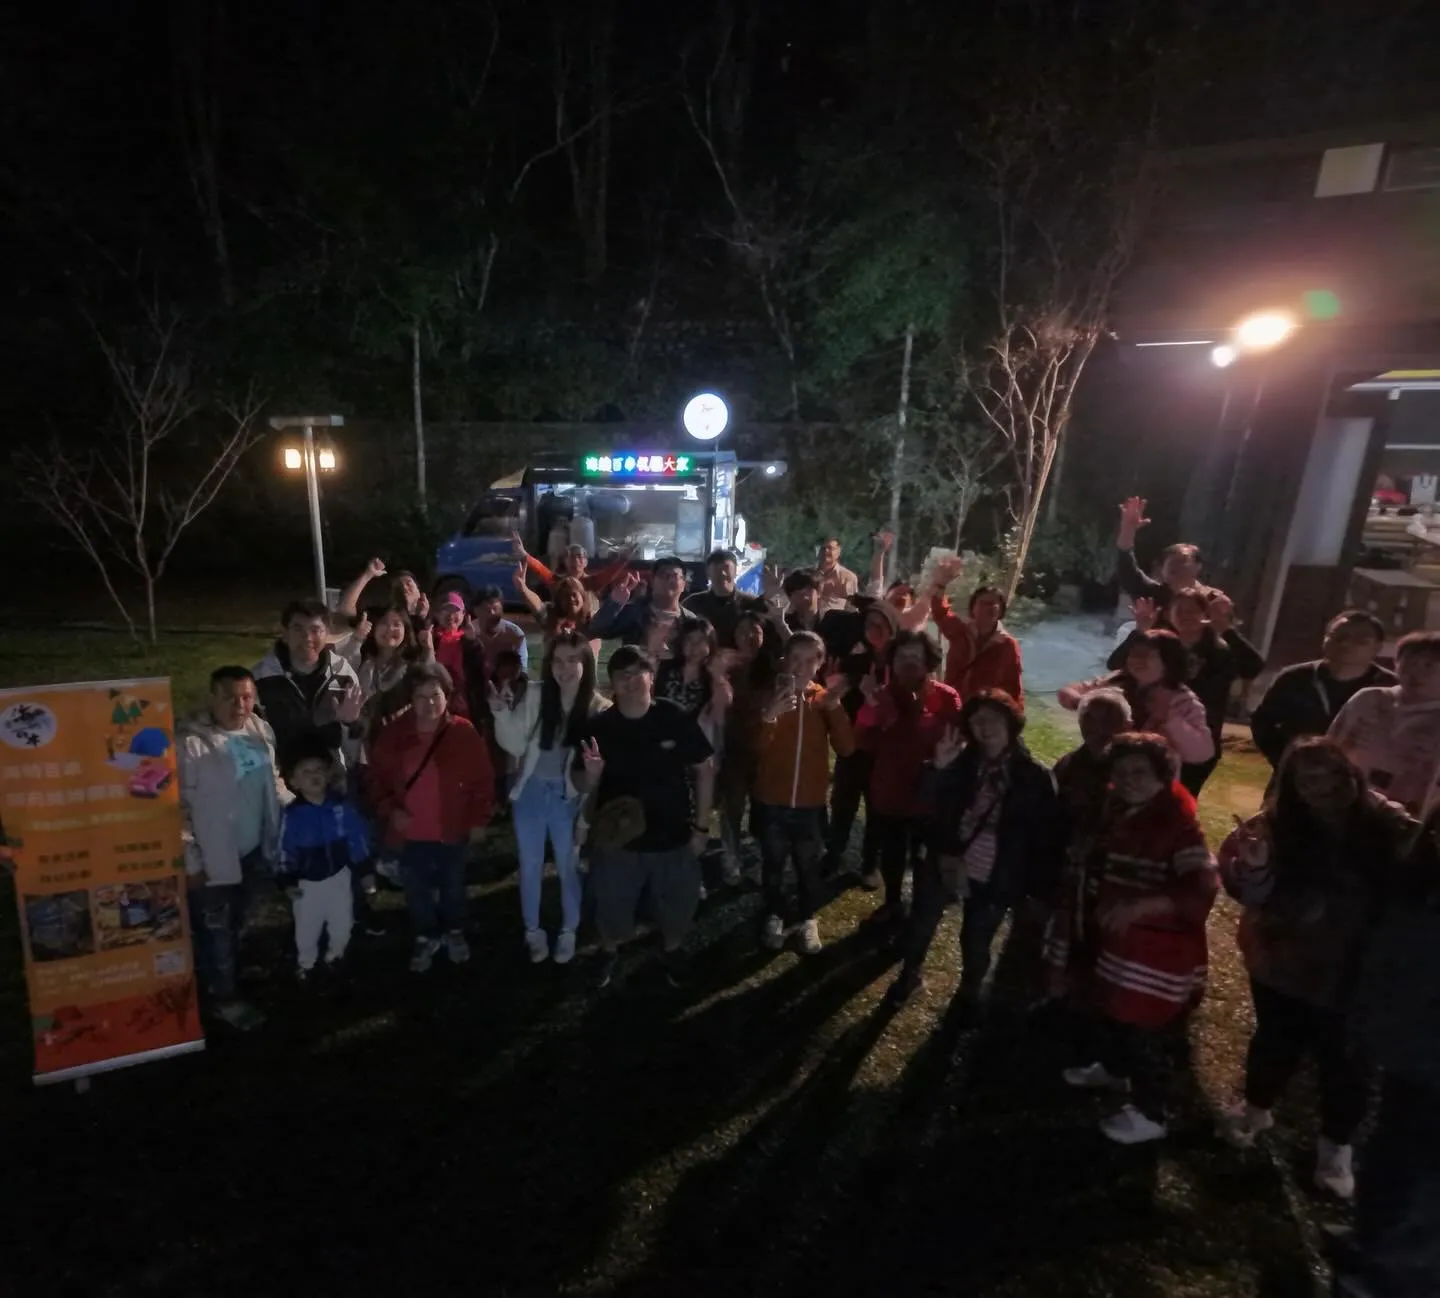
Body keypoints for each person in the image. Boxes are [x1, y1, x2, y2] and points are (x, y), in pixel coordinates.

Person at [1217, 739, 1417, 1199]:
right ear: (1293, 786)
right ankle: (1256, 1109)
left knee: (1346, 1065)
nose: (1323, 787)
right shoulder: (1273, 828)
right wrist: (1255, 867)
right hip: (1283, 964)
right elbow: (1250, 894)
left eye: (1332, 774)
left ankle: (1335, 1148)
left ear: (1352, 774)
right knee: (1274, 1042)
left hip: (1354, 973)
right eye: (1308, 780)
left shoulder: (1391, 826)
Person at [1049, 734, 1217, 1145]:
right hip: (1117, 942)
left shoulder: (1178, 824)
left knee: (1142, 1028)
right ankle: (1113, 1069)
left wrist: (1145, 905)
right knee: (1111, 1011)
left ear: (1163, 775)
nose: (1129, 779)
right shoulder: (1118, 811)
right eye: (1121, 771)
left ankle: (1152, 1111)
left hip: (1153, 953)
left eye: (1140, 772)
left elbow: (1202, 885)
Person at [891, 690, 1061, 1008]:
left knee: (976, 939)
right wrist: (937, 767)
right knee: (921, 924)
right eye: (977, 719)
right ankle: (909, 974)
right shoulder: (959, 759)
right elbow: (924, 801)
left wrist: (1034, 887)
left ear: (1011, 722)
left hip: (996, 873)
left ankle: (969, 990)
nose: (985, 726)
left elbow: (1045, 836)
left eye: (993, 718)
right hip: (946, 858)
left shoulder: (1032, 776)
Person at [1338, 806, 1440, 1297]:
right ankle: (1370, 1239)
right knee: (1388, 1154)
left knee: (1426, 1182)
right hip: (1409, 1051)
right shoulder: (1421, 879)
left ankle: (1393, 1280)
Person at [577, 646, 715, 990]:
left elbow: (704, 768)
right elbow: (580, 784)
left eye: (637, 672)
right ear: (612, 684)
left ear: (651, 677)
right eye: (621, 675)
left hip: (673, 835)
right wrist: (590, 778)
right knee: (612, 903)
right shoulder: (600, 727)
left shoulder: (673, 716)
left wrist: (701, 828)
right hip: (619, 840)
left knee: (678, 903)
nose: (630, 681)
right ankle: (609, 950)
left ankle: (672, 949)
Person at [366, 662, 495, 972]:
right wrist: (390, 810)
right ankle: (426, 934)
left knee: (453, 885)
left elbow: (482, 780)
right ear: (410, 698)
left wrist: (479, 820)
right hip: (410, 832)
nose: (429, 704)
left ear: (447, 695)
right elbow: (375, 780)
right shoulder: (394, 734)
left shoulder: (463, 732)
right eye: (421, 697)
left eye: (435, 695)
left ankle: (454, 930)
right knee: (416, 889)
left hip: (452, 828)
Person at [178, 666, 286, 1031]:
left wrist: (295, 804)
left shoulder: (259, 731)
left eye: (246, 697)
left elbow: (272, 780)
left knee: (239, 920)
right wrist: (191, 861)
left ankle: (228, 974)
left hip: (252, 851)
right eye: (230, 698)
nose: (240, 706)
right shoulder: (189, 745)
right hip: (212, 861)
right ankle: (222, 998)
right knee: (215, 931)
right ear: (212, 698)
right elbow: (176, 809)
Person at [492, 632, 606, 966]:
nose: (564, 668)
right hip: (531, 791)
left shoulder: (599, 709)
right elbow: (515, 744)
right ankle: (533, 930)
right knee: (529, 864)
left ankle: (569, 929)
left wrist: (584, 818)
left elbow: (597, 776)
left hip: (568, 797)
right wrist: (501, 714)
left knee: (568, 864)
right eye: (557, 660)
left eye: (572, 660)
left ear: (586, 664)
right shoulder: (538, 695)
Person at [752, 632, 854, 954]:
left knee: (808, 867)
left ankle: (807, 917)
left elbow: (847, 748)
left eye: (811, 660)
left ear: (820, 664)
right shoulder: (768, 695)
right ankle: (775, 913)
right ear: (785, 659)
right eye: (796, 658)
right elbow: (754, 750)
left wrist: (835, 708)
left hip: (809, 804)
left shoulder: (822, 699)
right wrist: (768, 717)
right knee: (773, 864)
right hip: (771, 801)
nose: (801, 666)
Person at [854, 629, 963, 927]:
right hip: (889, 790)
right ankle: (892, 903)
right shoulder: (880, 695)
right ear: (892, 660)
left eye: (916, 655)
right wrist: (871, 709)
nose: (909, 662)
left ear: (929, 661)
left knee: (924, 859)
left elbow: (958, 742)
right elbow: (860, 741)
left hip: (930, 795)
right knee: (892, 852)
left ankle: (921, 911)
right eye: (902, 656)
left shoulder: (946, 697)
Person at [1110, 586, 1263, 792]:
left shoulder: (1219, 650)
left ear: (1205, 615)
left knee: (1180, 799)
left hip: (1197, 740)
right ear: (1168, 613)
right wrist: (1140, 631)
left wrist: (1227, 630)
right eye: (1179, 609)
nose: (1185, 615)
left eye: (1192, 610)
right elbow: (1116, 664)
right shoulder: (1157, 644)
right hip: (1152, 736)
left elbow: (1254, 666)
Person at [1059, 630, 1215, 787]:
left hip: (1148, 784)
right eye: (1134, 654)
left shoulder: (1182, 700)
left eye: (1145, 655)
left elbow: (1203, 752)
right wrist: (1083, 702)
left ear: (1167, 661)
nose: (1137, 659)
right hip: (1101, 772)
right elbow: (1068, 692)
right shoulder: (1115, 681)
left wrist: (1172, 720)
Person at [276, 738, 372, 982]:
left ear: (328, 775)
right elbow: (285, 848)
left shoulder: (341, 807)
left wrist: (365, 869)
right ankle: (306, 964)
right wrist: (288, 879)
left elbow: (357, 837)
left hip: (339, 876)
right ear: (294, 781)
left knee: (343, 922)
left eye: (319, 769)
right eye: (306, 772)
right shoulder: (293, 815)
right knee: (307, 927)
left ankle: (335, 956)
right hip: (307, 883)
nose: (314, 775)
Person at [1250, 610, 1394, 768]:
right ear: (1324, 640)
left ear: (1378, 647)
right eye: (1339, 636)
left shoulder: (1390, 686)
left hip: (1365, 776)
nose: (1345, 643)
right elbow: (1262, 723)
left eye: (1360, 640)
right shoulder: (1295, 678)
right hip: (1299, 773)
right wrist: (1288, 760)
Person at [824, 600, 900, 881]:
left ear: (893, 628)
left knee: (878, 807)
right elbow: (836, 688)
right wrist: (833, 682)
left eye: (882, 624)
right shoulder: (856, 657)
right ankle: (833, 855)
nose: (875, 629)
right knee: (843, 803)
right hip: (854, 744)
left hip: (885, 750)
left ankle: (870, 864)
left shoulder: (900, 662)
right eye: (870, 624)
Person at [1328, 630, 1440, 813]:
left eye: (1429, 665)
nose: (1415, 673)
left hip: (1410, 816)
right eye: (1409, 663)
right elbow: (1326, 749)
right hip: (1345, 806)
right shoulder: (1368, 699)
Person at [253, 599, 363, 773]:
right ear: (285, 633)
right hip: (279, 776)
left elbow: (355, 738)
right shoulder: (261, 677)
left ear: (327, 633)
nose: (307, 638)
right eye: (298, 629)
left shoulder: (343, 675)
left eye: (315, 630)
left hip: (330, 775)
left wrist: (351, 723)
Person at [717, 611, 773, 884]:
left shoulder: (772, 668)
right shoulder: (725, 665)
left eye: (755, 631)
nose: (749, 636)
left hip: (764, 748)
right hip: (733, 748)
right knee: (733, 806)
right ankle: (730, 855)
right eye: (743, 631)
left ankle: (761, 854)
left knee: (763, 806)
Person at [926, 556, 1024, 707]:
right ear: (973, 609)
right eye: (983, 603)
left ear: (1001, 611)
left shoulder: (1008, 645)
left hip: (983, 711)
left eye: (993, 604)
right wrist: (941, 584)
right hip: (952, 704)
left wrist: (1015, 715)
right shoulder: (961, 631)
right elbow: (940, 612)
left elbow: (1014, 686)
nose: (988, 607)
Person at [1053, 689, 1133, 854]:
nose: (1098, 727)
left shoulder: (1138, 769)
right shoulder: (1066, 766)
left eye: (1109, 719)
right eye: (1089, 718)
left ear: (1128, 725)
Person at [1114, 495, 1218, 613]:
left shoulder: (1213, 601)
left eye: (1183, 560)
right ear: (1162, 571)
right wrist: (1127, 530)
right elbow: (1127, 570)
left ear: (1198, 567)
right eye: (1171, 563)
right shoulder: (1152, 595)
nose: (1176, 566)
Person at [591, 558, 702, 654]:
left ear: (683, 584)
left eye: (674, 576)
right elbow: (597, 630)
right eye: (663, 574)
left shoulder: (689, 620)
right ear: (652, 581)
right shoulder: (635, 613)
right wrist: (614, 603)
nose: (668, 579)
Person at [655, 618, 732, 736]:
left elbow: (720, 720)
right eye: (689, 639)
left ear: (710, 645)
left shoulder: (713, 681)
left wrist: (718, 678)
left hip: (689, 740)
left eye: (701, 640)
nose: (694, 646)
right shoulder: (664, 667)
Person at [684, 549, 771, 649]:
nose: (722, 573)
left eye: (726, 568)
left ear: (735, 571)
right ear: (708, 573)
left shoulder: (752, 603)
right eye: (716, 569)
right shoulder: (693, 603)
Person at [515, 533, 630, 598]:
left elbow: (609, 574)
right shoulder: (558, 581)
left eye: (579, 557)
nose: (575, 560)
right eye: (571, 557)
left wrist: (624, 558)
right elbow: (540, 568)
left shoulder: (592, 582)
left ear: (586, 562)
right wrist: (524, 554)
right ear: (565, 561)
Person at [431, 591, 485, 720]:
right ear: (437, 614)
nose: (450, 615)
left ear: (463, 615)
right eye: (445, 610)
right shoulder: (430, 637)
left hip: (463, 703)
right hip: (435, 700)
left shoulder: (469, 639)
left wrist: (472, 642)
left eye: (455, 611)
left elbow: (479, 671)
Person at [864, 529, 931, 631]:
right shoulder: (877, 609)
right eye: (898, 592)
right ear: (886, 597)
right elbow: (876, 580)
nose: (902, 595)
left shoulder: (913, 621)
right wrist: (880, 551)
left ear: (912, 603)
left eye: (907, 594)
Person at [336, 557, 430, 628]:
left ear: (419, 590)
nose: (405, 588)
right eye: (399, 587)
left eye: (409, 583)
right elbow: (345, 610)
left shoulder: (424, 625)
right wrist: (368, 574)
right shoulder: (380, 615)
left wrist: (421, 618)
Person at [467, 585, 529, 677]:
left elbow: (523, 669)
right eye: (486, 609)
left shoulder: (514, 634)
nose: (492, 613)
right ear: (476, 611)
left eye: (495, 608)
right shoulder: (468, 632)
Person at [813, 536, 860, 616]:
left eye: (830, 548)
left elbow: (852, 609)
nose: (826, 551)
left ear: (838, 552)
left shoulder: (848, 577)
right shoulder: (809, 575)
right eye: (823, 548)